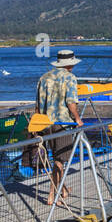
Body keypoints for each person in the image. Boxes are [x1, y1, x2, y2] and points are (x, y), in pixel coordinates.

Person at [35, 49, 84, 201]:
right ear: (70, 64)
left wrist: (36, 125)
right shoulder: (70, 78)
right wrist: (77, 119)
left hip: (45, 122)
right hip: (62, 123)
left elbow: (38, 105)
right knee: (59, 161)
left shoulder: (44, 77)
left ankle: (63, 189)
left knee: (56, 159)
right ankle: (52, 195)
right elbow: (70, 102)